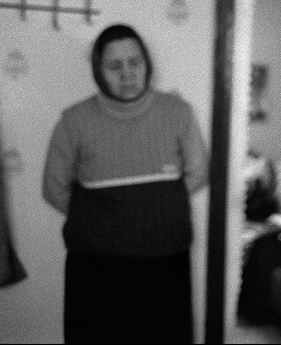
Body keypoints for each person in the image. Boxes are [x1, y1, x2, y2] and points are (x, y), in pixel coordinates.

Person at [42, 24, 209, 344]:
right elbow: (53, 188)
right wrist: (102, 220)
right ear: (98, 70)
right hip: (95, 270)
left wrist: (155, 206)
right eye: (115, 66)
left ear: (147, 64)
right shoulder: (73, 120)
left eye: (135, 63)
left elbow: (198, 173)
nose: (127, 74)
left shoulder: (178, 112)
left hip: (164, 265)